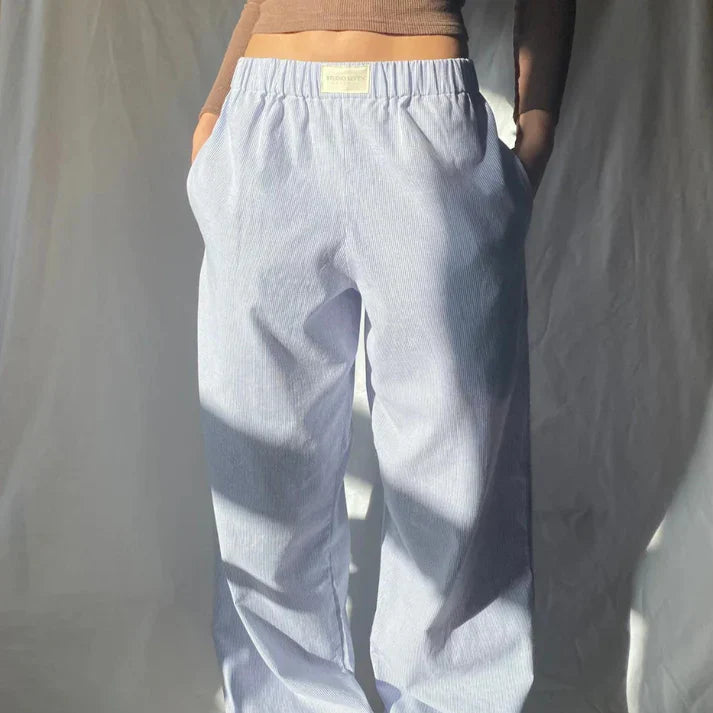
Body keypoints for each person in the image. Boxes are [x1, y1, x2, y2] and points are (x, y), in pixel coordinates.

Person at [185, 2, 575, 712]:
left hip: (426, 121)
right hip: (267, 119)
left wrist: (537, 132)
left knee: (454, 488)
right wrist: (215, 115)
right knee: (262, 494)